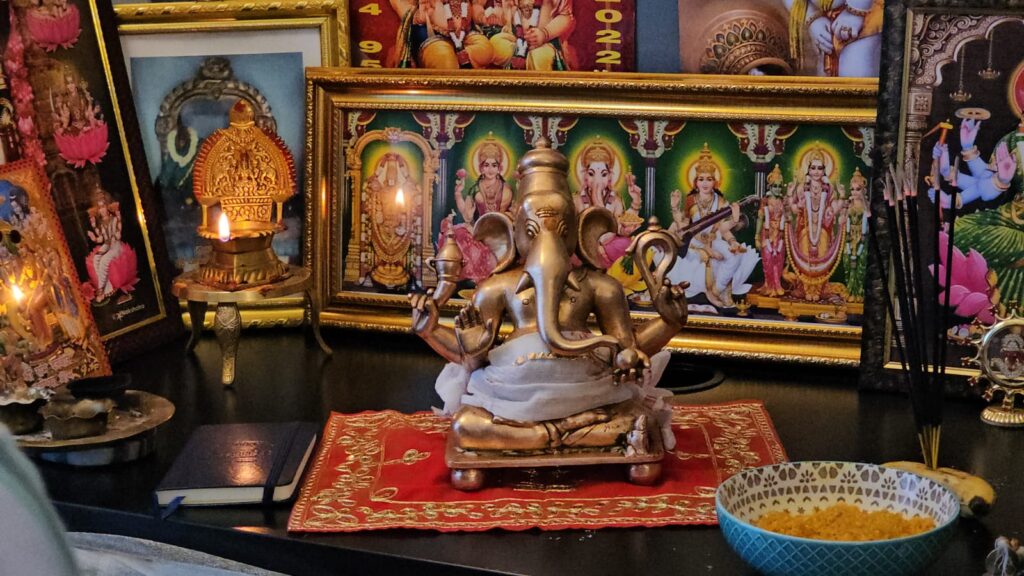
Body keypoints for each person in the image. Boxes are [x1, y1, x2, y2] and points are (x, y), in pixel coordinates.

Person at [932, 116, 1024, 305]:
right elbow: (986, 186)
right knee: (958, 231)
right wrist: (968, 150)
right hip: (1011, 216)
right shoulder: (1011, 141)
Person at [666, 143, 758, 309]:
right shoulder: (691, 200)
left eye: (709, 179)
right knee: (704, 260)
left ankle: (716, 291)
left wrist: (733, 228)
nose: (705, 183)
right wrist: (674, 207)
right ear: (696, 182)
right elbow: (682, 225)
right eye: (701, 179)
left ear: (715, 181)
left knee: (736, 256)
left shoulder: (721, 202)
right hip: (694, 243)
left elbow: (723, 229)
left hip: (714, 240)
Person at [445, 138, 514, 283]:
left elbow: (505, 215)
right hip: (478, 229)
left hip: (500, 232)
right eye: (486, 165)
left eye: (494, 165)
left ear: (499, 168)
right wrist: (458, 194)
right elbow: (467, 214)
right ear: (481, 168)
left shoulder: (506, 189)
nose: (490, 169)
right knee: (457, 233)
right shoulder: (475, 188)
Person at [573, 138, 642, 270]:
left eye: (603, 174)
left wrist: (635, 201)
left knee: (628, 244)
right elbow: (572, 233)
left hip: (609, 249)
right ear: (585, 176)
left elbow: (620, 230)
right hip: (582, 249)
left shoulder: (615, 200)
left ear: (610, 177)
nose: (597, 180)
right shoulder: (577, 200)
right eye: (592, 174)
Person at [785, 145, 843, 301]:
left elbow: (834, 206)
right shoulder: (801, 188)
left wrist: (833, 207)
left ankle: (820, 289)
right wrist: (796, 203)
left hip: (822, 229)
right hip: (805, 228)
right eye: (813, 168)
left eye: (819, 168)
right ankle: (804, 288)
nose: (816, 171)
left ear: (824, 170)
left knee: (822, 254)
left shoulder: (829, 188)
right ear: (808, 170)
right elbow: (793, 208)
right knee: (804, 256)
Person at [785, 0, 882, 77]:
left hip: (866, 19)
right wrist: (813, 18)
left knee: (854, 73)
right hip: (826, 21)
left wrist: (855, 12)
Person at [389, 0, 494, 69]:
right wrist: (419, 17)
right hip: (431, 34)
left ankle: (461, 59)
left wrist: (481, 17)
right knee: (444, 59)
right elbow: (403, 7)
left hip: (465, 33)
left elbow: (476, 5)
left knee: (486, 50)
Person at [84, 188, 138, 305]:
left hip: (115, 245)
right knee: (96, 259)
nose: (102, 210)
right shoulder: (101, 224)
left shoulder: (114, 219)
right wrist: (93, 237)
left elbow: (118, 234)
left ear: (107, 206)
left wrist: (116, 230)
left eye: (103, 206)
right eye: (99, 208)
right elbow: (101, 239)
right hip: (107, 244)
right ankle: (107, 289)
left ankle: (101, 291)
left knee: (104, 260)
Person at [756, 165, 787, 297]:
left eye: (779, 186)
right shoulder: (765, 201)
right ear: (770, 186)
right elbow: (760, 218)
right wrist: (757, 237)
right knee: (768, 258)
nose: (777, 189)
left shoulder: (784, 201)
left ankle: (777, 285)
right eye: (775, 186)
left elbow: (787, 219)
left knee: (778, 259)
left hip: (779, 233)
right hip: (767, 232)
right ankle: (768, 285)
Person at [841, 167, 868, 301]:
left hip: (861, 237)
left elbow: (865, 225)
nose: (855, 192)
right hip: (850, 237)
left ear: (864, 190)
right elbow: (845, 222)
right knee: (848, 261)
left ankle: (858, 292)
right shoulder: (849, 206)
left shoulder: (865, 206)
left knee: (860, 263)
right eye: (852, 189)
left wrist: (861, 240)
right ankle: (850, 290)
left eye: (858, 189)